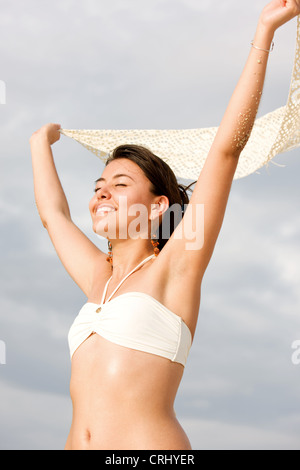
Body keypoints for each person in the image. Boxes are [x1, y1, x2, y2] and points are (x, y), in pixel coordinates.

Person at [30, 1, 300, 450]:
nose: (100, 192)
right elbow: (52, 215)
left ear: (157, 207)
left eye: (119, 183)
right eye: (98, 184)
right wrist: (39, 143)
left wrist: (265, 31)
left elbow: (225, 153)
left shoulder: (176, 267)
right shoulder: (100, 278)